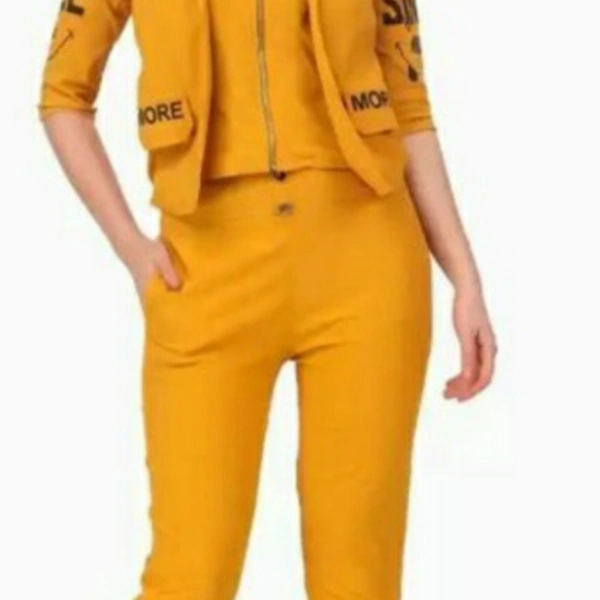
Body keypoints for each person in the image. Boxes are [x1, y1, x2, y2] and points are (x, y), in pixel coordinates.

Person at [38, 0, 497, 598]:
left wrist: (464, 277)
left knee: (359, 575)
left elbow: (409, 107)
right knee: (189, 577)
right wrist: (131, 247)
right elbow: (62, 96)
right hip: (205, 274)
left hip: (366, 267)